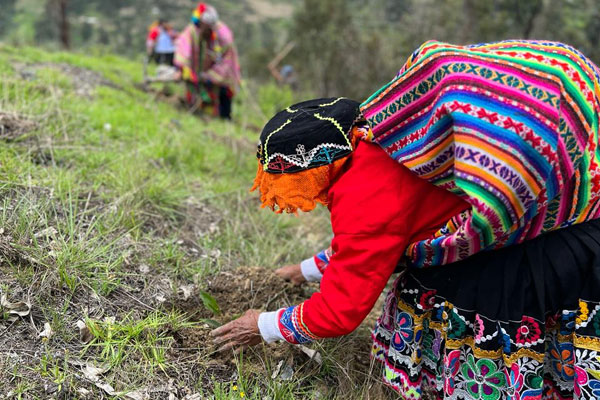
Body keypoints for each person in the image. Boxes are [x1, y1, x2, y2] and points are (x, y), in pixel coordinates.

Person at [210, 40, 600, 399]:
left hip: (537, 249)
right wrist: (306, 269)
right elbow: (381, 240)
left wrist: (262, 325)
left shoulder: (363, 198)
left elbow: (340, 311)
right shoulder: (378, 138)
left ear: (315, 170)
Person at [174, 3, 241, 119]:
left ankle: (224, 118)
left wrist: (209, 76)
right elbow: (184, 43)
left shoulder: (224, 37)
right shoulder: (194, 30)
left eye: (202, 26)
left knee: (224, 92)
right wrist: (183, 68)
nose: (199, 28)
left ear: (209, 25)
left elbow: (226, 63)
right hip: (203, 68)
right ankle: (196, 108)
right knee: (195, 85)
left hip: (222, 73)